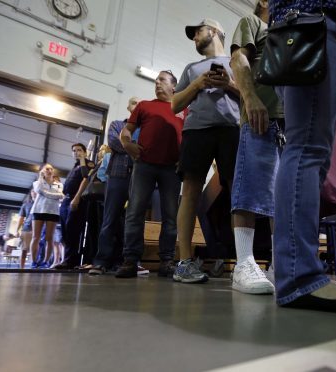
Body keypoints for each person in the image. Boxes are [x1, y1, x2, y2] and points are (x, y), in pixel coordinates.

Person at [269, 0, 336, 312]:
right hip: (312, 25)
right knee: (306, 151)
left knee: (309, 152)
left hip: (303, 30)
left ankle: (300, 271)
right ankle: (299, 277)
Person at [171, 18, 240, 283]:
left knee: (238, 195)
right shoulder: (191, 68)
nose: (195, 38)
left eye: (197, 32)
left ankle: (244, 261)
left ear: (213, 31)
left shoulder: (237, 63)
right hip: (196, 131)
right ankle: (185, 262)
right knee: (190, 193)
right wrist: (197, 85)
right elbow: (175, 104)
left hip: (231, 130)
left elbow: (250, 98)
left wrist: (229, 84)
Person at [228, 0, 283, 294]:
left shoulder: (290, 29)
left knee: (283, 198)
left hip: (292, 123)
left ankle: (279, 265)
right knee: (248, 188)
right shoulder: (252, 23)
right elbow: (238, 59)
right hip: (263, 114)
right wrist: (250, 98)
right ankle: (244, 262)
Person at [114, 71, 186, 278]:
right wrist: (128, 145)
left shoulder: (183, 109)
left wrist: (186, 159)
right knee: (135, 212)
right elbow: (126, 131)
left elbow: (190, 137)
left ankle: (166, 261)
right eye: (155, 81)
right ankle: (130, 261)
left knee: (170, 216)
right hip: (144, 166)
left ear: (174, 86)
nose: (157, 83)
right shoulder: (144, 105)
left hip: (172, 170)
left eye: (162, 80)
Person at [89, 97, 139, 275]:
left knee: (133, 221)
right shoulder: (117, 125)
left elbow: (148, 148)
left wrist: (129, 145)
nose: (137, 106)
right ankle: (101, 261)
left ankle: (129, 262)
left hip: (139, 178)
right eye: (134, 103)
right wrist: (136, 148)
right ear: (128, 107)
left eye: (141, 103)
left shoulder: (147, 129)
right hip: (117, 175)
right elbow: (114, 142)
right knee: (109, 218)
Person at [53, 144, 94, 269]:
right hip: (66, 199)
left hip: (77, 200)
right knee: (65, 231)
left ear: (85, 152)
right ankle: (68, 259)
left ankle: (71, 260)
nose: (76, 152)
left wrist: (77, 197)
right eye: (74, 151)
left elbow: (86, 178)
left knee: (72, 230)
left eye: (79, 150)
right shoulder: (75, 166)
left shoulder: (88, 163)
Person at [30, 164, 64, 268]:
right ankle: (34, 261)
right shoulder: (37, 182)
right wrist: (54, 195)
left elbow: (60, 195)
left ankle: (45, 262)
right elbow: (40, 191)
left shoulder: (59, 184)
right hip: (38, 210)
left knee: (50, 238)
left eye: (51, 169)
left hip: (53, 211)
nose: (49, 170)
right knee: (36, 236)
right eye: (47, 169)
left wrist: (47, 193)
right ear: (42, 171)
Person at [16, 190, 36, 268]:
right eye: (33, 191)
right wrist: (17, 230)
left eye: (36, 191)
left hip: (39, 229)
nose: (34, 192)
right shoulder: (26, 205)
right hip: (27, 228)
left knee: (35, 250)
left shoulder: (42, 203)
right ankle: (22, 268)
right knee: (24, 250)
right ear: (31, 193)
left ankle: (33, 266)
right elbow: (21, 218)